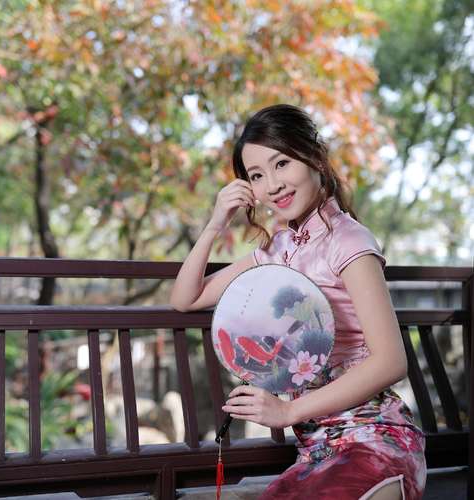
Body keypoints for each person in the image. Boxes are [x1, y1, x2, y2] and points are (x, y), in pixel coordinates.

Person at [169, 104, 426, 499]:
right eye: (257, 175)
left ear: (315, 158)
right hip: (317, 452)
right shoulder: (278, 249)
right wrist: (216, 223)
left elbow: (391, 362)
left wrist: (288, 412)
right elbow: (187, 298)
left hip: (373, 439)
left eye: (282, 163)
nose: (272, 185)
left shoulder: (348, 241)